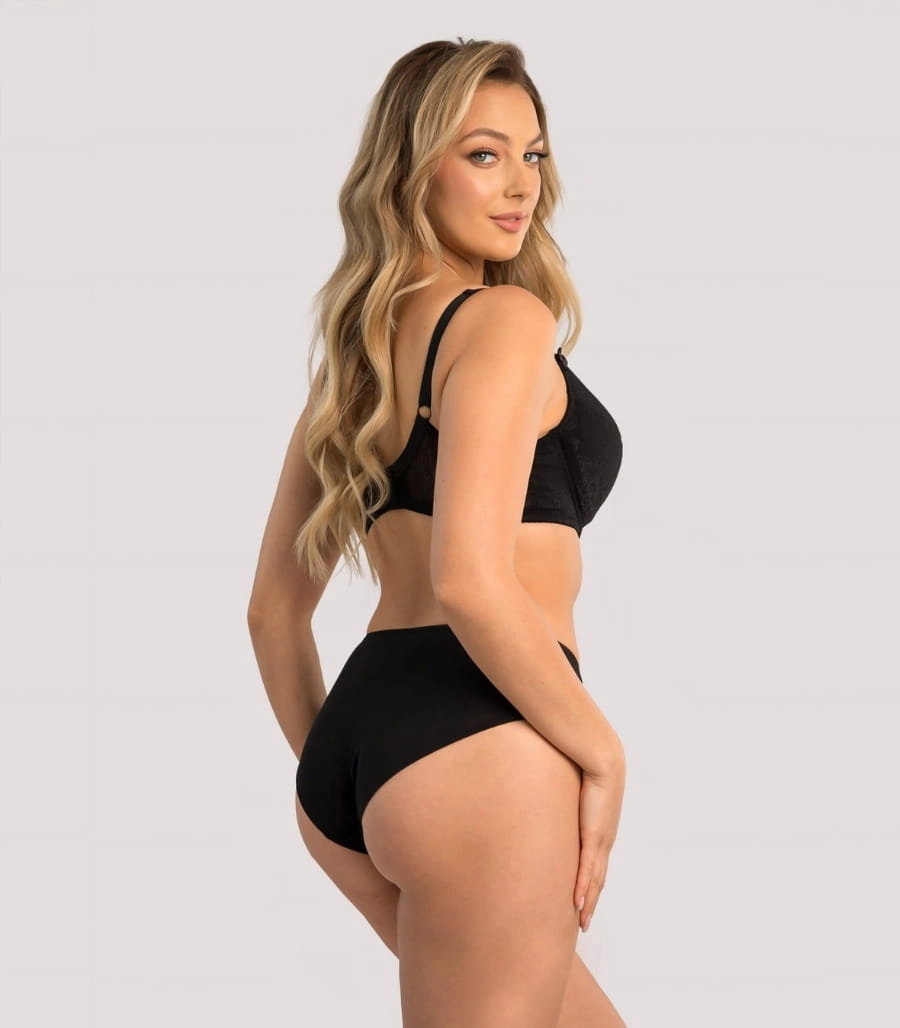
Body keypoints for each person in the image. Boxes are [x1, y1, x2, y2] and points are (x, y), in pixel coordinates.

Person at [248, 37, 628, 1027]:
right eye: (484, 154)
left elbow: (272, 613)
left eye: (532, 154)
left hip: (369, 745)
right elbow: (468, 578)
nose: (521, 185)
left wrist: (361, 775)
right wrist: (601, 750)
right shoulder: (503, 322)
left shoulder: (357, 359)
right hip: (483, 747)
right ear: (414, 166)